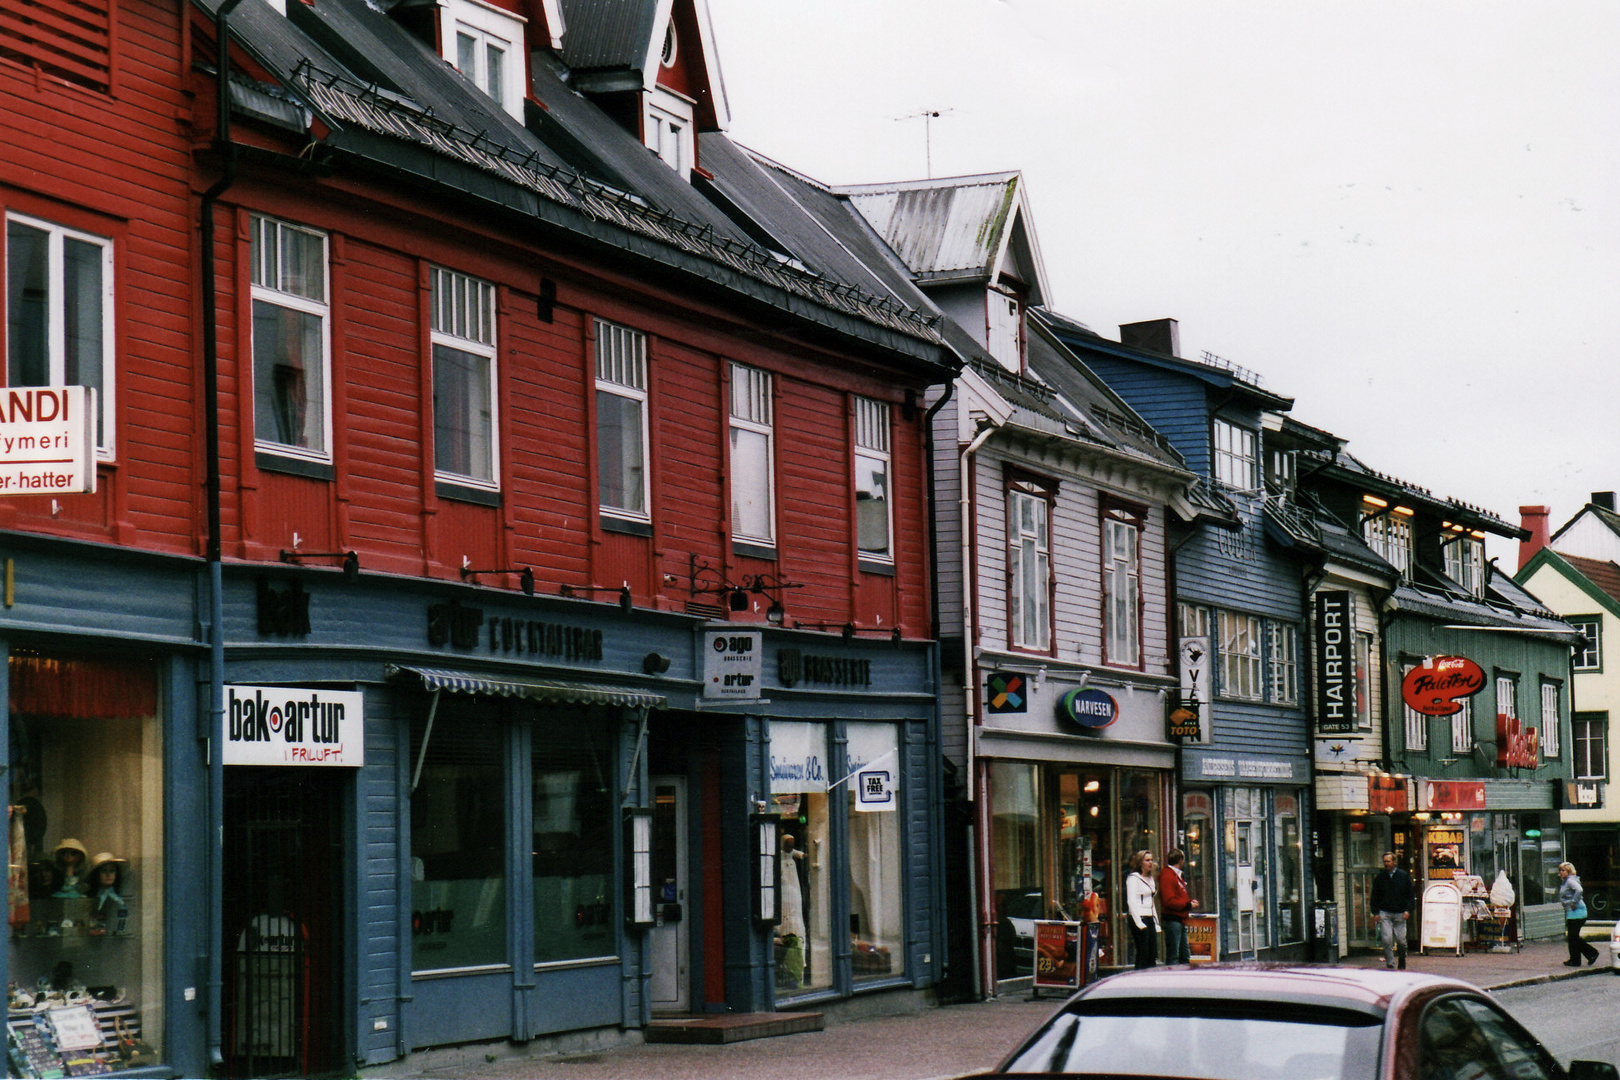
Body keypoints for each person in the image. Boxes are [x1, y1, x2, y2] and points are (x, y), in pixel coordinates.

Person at [1370, 851, 1414, 969]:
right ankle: (1390, 963)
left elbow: (1410, 894)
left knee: (1401, 940)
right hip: (1385, 912)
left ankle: (1402, 957)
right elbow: (1375, 895)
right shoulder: (1380, 878)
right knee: (1387, 939)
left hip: (1400, 912)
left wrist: (1408, 910)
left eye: (1388, 861)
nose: (1386, 864)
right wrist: (1375, 912)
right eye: (1384, 861)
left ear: (1394, 862)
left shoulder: (1403, 876)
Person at [1158, 848, 1199, 964]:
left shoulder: (1174, 876)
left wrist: (1188, 903)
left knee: (1183, 955)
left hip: (1179, 919)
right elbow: (1168, 901)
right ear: (1181, 860)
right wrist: (1187, 904)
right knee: (1174, 955)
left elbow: (1175, 897)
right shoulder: (1168, 876)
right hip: (1173, 919)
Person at [1557, 861, 1600, 967]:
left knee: (1573, 937)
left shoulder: (1570, 881)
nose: (1561, 872)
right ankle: (1579, 958)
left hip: (1577, 912)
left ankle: (1588, 955)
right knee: (1573, 937)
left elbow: (1579, 890)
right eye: (1560, 870)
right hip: (1573, 912)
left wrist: (1573, 903)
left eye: (1563, 870)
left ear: (1569, 871)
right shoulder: (1567, 881)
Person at [1126, 850, 1160, 970]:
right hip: (1139, 917)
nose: (1150, 862)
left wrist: (1155, 922)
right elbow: (1131, 901)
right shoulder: (1133, 879)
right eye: (1147, 860)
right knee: (1143, 951)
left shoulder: (1150, 879)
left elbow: (1151, 903)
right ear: (1140, 863)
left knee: (1152, 952)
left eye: (1151, 860)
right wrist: (1138, 921)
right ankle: (1138, 976)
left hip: (1149, 917)